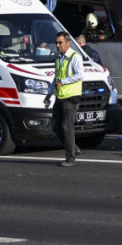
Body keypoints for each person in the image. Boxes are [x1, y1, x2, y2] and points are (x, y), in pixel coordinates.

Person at [43, 32, 84, 167]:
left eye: (60, 43)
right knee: (55, 126)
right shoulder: (58, 58)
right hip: (60, 96)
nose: (57, 45)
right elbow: (56, 78)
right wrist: (49, 94)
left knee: (67, 127)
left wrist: (64, 82)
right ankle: (74, 148)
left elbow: (80, 75)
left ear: (68, 43)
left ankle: (70, 158)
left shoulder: (75, 57)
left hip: (71, 97)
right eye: (56, 43)